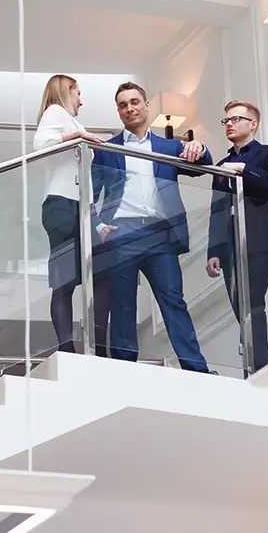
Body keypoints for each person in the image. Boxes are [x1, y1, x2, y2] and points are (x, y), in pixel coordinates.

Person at [91, 81, 213, 372]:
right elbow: (88, 196)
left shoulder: (169, 146)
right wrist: (99, 227)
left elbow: (204, 164)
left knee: (173, 302)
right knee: (122, 306)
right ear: (118, 112)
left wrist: (199, 146)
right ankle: (124, 372)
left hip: (161, 235)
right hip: (122, 234)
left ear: (146, 106)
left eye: (134, 102)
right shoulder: (107, 150)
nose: (129, 108)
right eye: (123, 105)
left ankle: (197, 371)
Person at [205, 100, 268, 376]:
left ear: (252, 123)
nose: (229, 124)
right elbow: (217, 210)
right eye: (226, 120)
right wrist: (213, 251)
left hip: (260, 242)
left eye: (235, 119)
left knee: (252, 301)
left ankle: (259, 368)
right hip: (230, 246)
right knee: (241, 307)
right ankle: (252, 362)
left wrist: (243, 170)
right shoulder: (221, 165)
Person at [32, 75, 107, 353]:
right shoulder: (56, 112)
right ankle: (67, 349)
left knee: (98, 274)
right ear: (66, 92)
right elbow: (40, 145)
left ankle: (95, 345)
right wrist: (75, 136)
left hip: (78, 206)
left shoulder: (69, 118)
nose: (82, 100)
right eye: (78, 93)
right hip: (61, 205)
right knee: (64, 281)